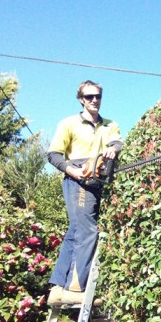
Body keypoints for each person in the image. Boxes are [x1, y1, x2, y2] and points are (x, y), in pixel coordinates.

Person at [46, 80, 122, 305]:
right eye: (89, 97)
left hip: (98, 180)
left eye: (98, 96)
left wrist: (112, 149)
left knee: (75, 231)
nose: (94, 100)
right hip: (78, 181)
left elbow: (117, 142)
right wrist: (74, 171)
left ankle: (58, 287)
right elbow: (54, 155)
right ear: (81, 99)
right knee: (87, 230)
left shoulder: (109, 125)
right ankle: (76, 288)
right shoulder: (69, 124)